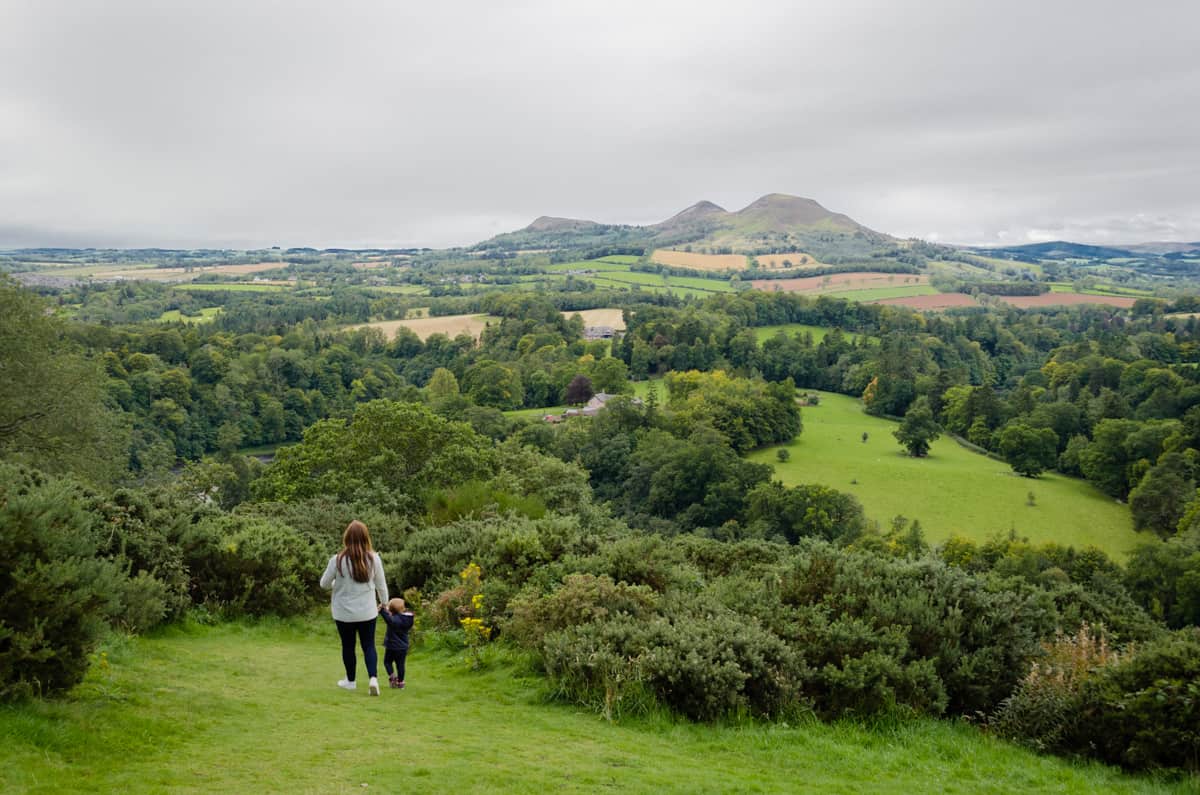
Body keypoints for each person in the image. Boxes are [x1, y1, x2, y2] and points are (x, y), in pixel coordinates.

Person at [320, 520, 389, 696]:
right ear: (366, 538)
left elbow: (324, 584)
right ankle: (373, 678)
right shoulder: (374, 559)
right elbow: (381, 585)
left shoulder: (337, 560)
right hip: (367, 611)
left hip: (343, 613)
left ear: (346, 538)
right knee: (369, 645)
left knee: (348, 646)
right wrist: (385, 603)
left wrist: (337, 582)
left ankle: (350, 681)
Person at [379, 597, 415, 689]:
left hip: (392, 646)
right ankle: (401, 682)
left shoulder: (393, 620)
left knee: (387, 662)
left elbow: (388, 619)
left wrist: (382, 610)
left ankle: (392, 677)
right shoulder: (408, 619)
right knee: (400, 665)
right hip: (403, 646)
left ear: (391, 609)